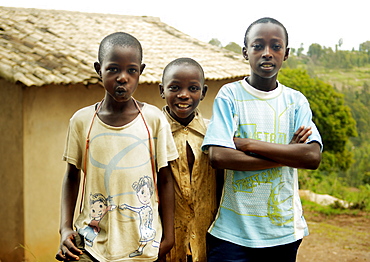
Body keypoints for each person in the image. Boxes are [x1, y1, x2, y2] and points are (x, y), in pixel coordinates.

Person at [201, 17, 323, 262]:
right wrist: (287, 154)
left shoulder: (295, 101)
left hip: (283, 231)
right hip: (232, 233)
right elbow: (219, 156)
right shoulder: (230, 95)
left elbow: (311, 156)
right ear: (245, 52)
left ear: (286, 53)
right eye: (258, 46)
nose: (267, 53)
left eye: (275, 46)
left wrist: (247, 144)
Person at [55, 32, 178, 262]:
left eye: (131, 70)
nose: (123, 77)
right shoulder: (82, 121)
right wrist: (64, 228)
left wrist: (168, 236)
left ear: (140, 71)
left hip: (142, 246)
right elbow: (72, 178)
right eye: (113, 69)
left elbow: (166, 178)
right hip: (90, 244)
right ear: (98, 69)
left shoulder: (153, 120)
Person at [159, 58, 222, 262]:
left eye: (193, 88)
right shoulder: (151, 134)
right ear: (162, 90)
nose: (184, 95)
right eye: (175, 87)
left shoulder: (215, 133)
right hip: (164, 244)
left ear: (203, 92)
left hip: (209, 241)